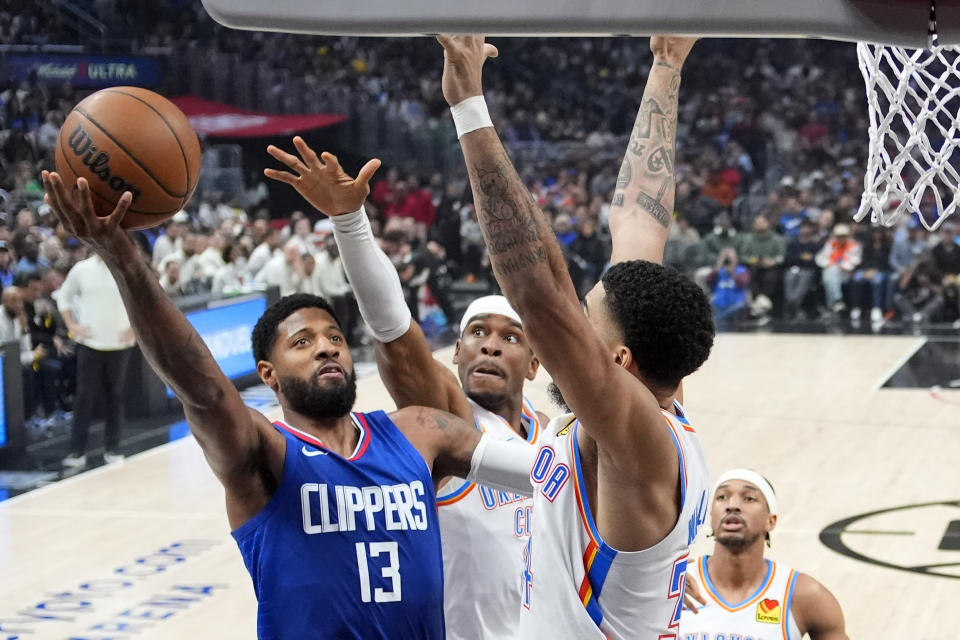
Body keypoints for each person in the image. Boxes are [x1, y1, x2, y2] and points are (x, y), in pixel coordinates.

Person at [42, 169, 537, 640]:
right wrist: (126, 261)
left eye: (335, 337)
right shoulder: (266, 452)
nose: (325, 347)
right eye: (302, 342)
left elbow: (544, 473)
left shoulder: (418, 430)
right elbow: (201, 386)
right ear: (268, 374)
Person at [436, 34, 713, 639]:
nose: (572, 330)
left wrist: (467, 106)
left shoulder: (636, 437)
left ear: (618, 359)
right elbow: (639, 219)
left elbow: (539, 296)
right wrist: (667, 64)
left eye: (587, 321)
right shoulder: (657, 404)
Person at [266, 136, 548, 640]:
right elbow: (394, 331)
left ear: (534, 363)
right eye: (476, 334)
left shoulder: (554, 436)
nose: (489, 346)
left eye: (509, 338)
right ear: (455, 353)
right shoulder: (446, 418)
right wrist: (350, 223)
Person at [681, 469, 848, 639]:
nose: (732, 505)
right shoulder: (676, 582)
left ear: (771, 521)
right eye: (722, 497)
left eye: (749, 498)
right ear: (711, 516)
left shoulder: (804, 595)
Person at [57, 251, 136, 468]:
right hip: (89, 343)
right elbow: (64, 297)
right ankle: (77, 452)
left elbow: (144, 298)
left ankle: (113, 449)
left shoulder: (126, 264)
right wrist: (72, 325)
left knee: (116, 396)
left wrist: (135, 328)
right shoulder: (82, 269)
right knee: (84, 396)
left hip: (120, 343)